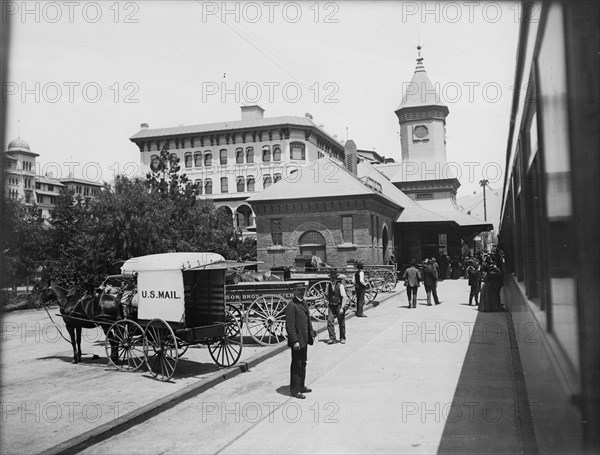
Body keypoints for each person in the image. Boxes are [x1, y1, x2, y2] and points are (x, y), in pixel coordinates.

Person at [285, 283, 317, 399]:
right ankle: (295, 390)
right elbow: (290, 325)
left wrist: (312, 332)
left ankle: (301, 386)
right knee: (296, 364)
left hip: (304, 338)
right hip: (298, 341)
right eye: (298, 290)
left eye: (302, 290)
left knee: (303, 363)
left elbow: (308, 320)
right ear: (294, 291)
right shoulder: (292, 305)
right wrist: (295, 341)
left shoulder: (303, 302)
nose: (301, 292)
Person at [325, 271, 349, 344]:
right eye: (331, 278)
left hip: (339, 305)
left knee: (341, 322)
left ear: (336, 278)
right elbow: (326, 295)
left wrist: (342, 307)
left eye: (334, 278)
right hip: (331, 306)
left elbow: (344, 297)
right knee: (329, 321)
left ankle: (342, 337)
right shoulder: (328, 286)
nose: (332, 279)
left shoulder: (340, 286)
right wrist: (326, 301)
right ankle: (332, 338)